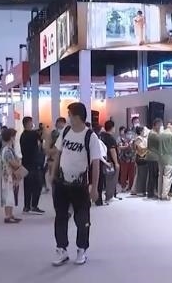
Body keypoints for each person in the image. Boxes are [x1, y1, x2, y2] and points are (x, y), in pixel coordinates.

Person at [49, 102, 102, 266]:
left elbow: (96, 164)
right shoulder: (65, 132)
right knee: (60, 217)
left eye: (70, 115)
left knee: (82, 219)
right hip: (62, 183)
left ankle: (81, 249)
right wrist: (53, 174)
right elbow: (58, 154)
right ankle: (61, 249)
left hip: (80, 185)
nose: (68, 118)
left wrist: (94, 188)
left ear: (77, 117)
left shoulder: (90, 137)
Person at [19, 117, 45, 214]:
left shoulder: (23, 135)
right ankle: (34, 205)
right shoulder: (32, 134)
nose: (32, 124)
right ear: (28, 123)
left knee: (28, 186)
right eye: (31, 122)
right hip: (34, 164)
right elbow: (42, 136)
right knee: (37, 185)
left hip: (26, 163)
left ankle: (27, 206)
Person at [0, 128, 23, 224]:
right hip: (8, 175)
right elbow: (13, 163)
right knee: (8, 195)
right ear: (11, 137)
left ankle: (10, 214)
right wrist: (19, 165)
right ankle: (8, 216)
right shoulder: (7, 150)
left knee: (11, 195)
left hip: (8, 175)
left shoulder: (7, 149)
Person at [152, 119, 172, 200]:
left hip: (160, 158)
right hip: (169, 158)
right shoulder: (171, 135)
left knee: (160, 176)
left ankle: (159, 194)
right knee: (167, 176)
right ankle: (164, 195)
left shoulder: (161, 134)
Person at [98, 120, 120, 204]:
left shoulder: (101, 136)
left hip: (103, 160)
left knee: (106, 180)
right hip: (110, 161)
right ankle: (109, 196)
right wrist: (116, 162)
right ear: (112, 128)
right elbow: (112, 150)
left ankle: (109, 195)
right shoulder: (111, 138)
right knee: (111, 179)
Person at [117, 125, 137, 192]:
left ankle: (131, 187)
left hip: (132, 158)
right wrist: (126, 146)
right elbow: (119, 147)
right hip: (124, 158)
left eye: (131, 133)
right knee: (124, 173)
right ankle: (123, 186)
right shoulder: (121, 139)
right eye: (128, 133)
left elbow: (135, 148)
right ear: (125, 134)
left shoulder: (133, 140)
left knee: (132, 173)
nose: (130, 135)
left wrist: (133, 144)